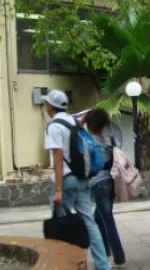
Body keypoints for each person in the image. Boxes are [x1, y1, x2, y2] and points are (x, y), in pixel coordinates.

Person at [43, 89, 110, 270]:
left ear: (50, 106)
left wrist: (57, 190)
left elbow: (58, 155)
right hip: (82, 179)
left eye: (46, 104)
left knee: (61, 225)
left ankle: (67, 264)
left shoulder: (54, 126)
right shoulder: (74, 121)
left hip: (65, 181)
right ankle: (103, 265)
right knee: (89, 223)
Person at [82, 108, 127, 269]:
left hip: (98, 184)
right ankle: (105, 253)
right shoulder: (110, 140)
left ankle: (119, 258)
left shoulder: (89, 142)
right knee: (99, 218)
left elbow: (86, 166)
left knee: (107, 221)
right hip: (111, 183)